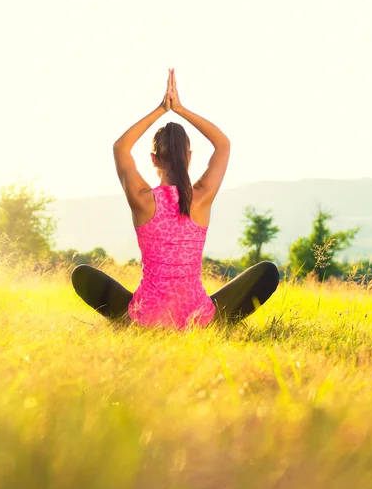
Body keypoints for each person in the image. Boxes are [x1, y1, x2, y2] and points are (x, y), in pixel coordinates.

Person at [71, 68, 279, 329]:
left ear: (153, 159)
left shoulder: (142, 200)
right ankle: (216, 325)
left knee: (82, 275)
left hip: (146, 318)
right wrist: (180, 109)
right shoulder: (201, 198)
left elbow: (120, 147)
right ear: (189, 156)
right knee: (268, 272)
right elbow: (223, 145)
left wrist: (162, 109)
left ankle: (129, 323)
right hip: (196, 318)